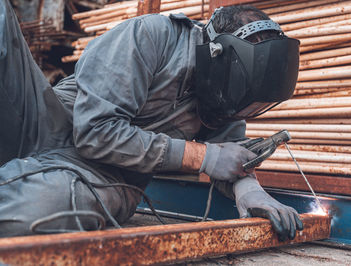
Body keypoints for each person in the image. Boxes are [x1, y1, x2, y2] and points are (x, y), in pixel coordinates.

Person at [0, 0, 303, 240]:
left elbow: (229, 153)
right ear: (219, 55)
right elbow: (95, 131)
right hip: (43, 122)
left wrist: (249, 189)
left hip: (104, 179)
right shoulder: (152, 37)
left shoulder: (226, 98)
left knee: (32, 216)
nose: (239, 113)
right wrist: (203, 156)